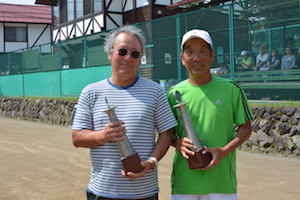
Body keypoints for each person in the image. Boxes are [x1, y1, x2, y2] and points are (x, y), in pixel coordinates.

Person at [71, 25, 177, 200]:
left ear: (140, 58)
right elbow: (77, 138)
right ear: (110, 54)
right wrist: (103, 136)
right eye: (122, 51)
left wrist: (151, 162)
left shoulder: (155, 91)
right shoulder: (91, 92)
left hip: (145, 193)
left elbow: (166, 133)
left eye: (135, 54)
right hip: (102, 192)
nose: (128, 58)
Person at [167, 29, 254, 200]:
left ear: (212, 56)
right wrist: (178, 143)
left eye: (202, 51)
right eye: (190, 52)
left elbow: (246, 127)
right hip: (185, 184)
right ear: (182, 58)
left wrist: (223, 151)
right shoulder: (173, 93)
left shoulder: (231, 89)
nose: (196, 58)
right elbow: (166, 134)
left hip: (222, 184)